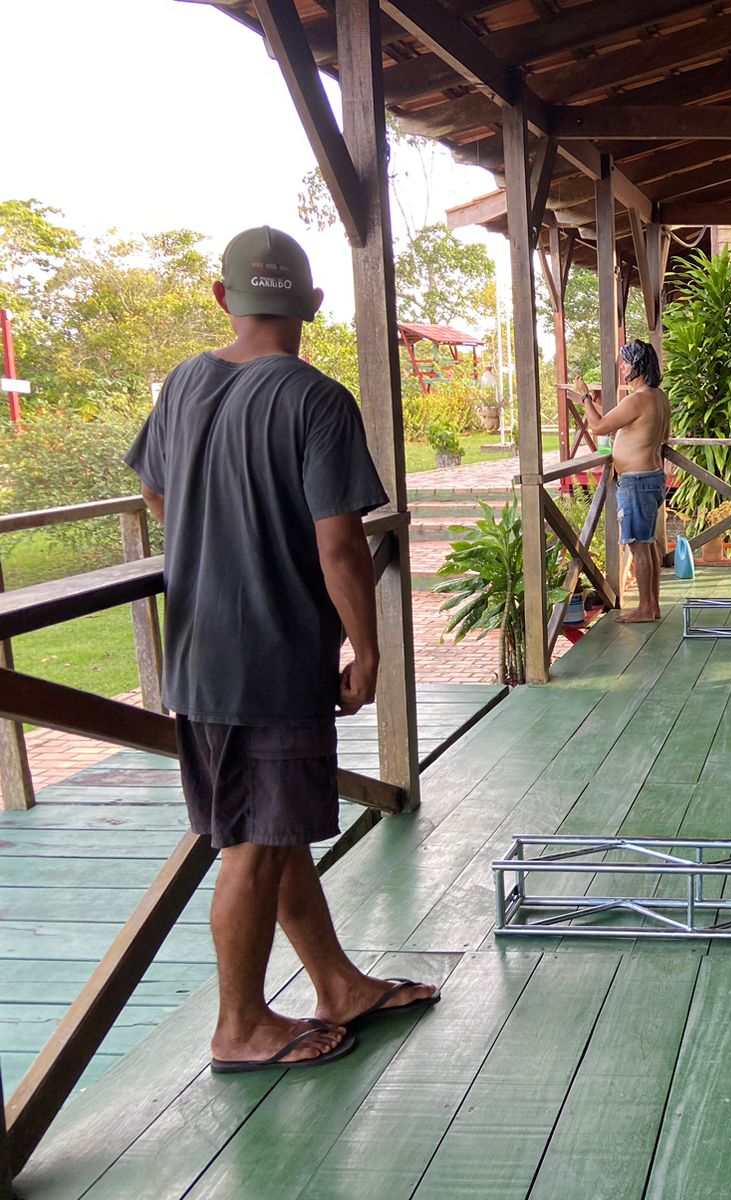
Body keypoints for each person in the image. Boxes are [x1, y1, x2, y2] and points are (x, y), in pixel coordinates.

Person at [125, 227, 438, 1074]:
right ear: (313, 307)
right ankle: (239, 1025)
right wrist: (367, 652)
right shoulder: (317, 399)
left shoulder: (183, 383)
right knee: (253, 846)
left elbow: (154, 487)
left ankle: (337, 984)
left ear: (224, 299)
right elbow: (339, 543)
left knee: (276, 828)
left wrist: (206, 527)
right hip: (270, 656)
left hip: (199, 654)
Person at [581, 339, 671, 622]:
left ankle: (646, 608)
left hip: (637, 481)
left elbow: (598, 427)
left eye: (625, 362)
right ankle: (651, 605)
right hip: (652, 477)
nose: (622, 367)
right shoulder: (658, 396)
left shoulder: (638, 398)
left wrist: (584, 398)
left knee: (638, 545)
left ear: (639, 366)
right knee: (647, 544)